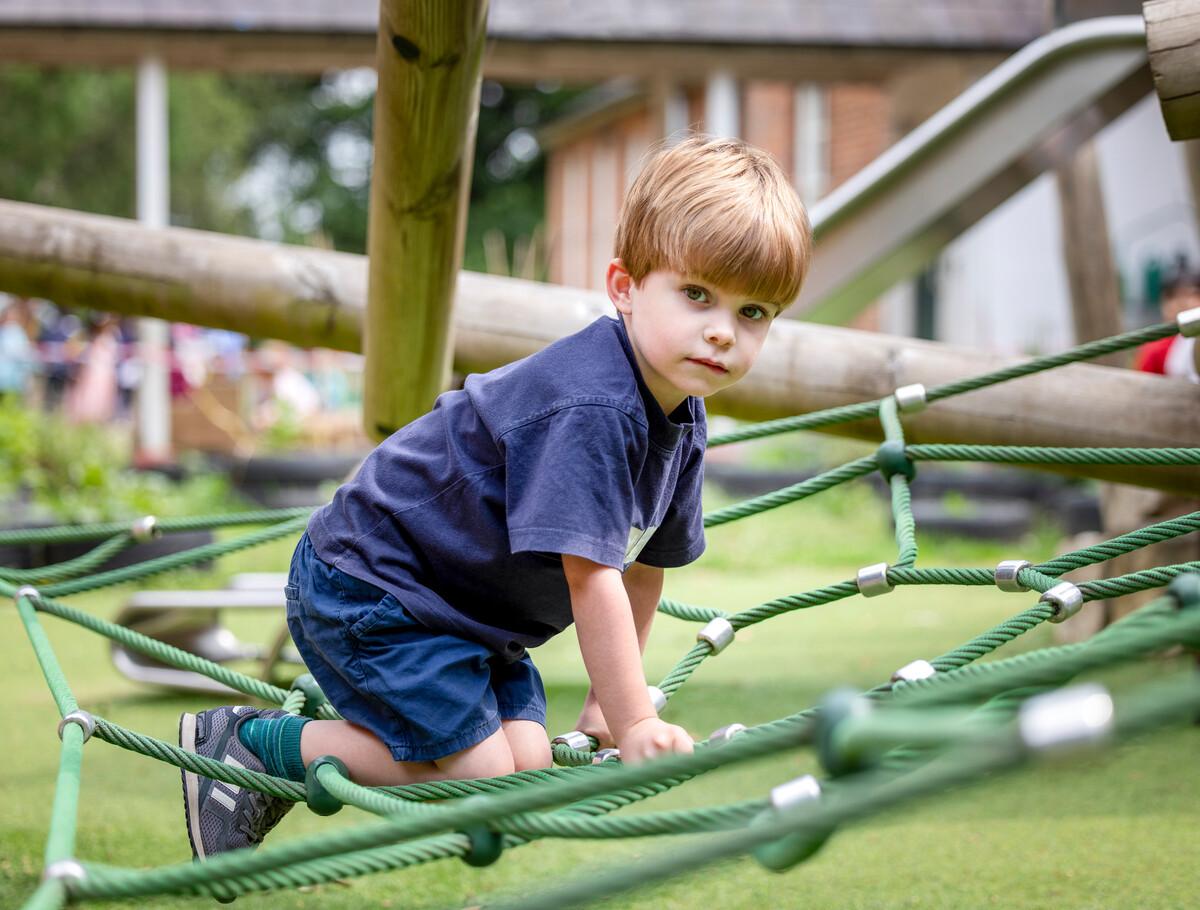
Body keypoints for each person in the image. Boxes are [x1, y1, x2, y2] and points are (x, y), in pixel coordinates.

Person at [178, 136, 813, 859]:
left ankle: (304, 745)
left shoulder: (685, 414)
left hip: (468, 619)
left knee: (526, 769)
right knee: (480, 779)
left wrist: (612, 701)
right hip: (374, 587)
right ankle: (257, 746)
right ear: (625, 286)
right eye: (696, 294)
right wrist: (638, 724)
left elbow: (644, 567)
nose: (721, 331)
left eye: (754, 312)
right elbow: (592, 574)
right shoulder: (594, 405)